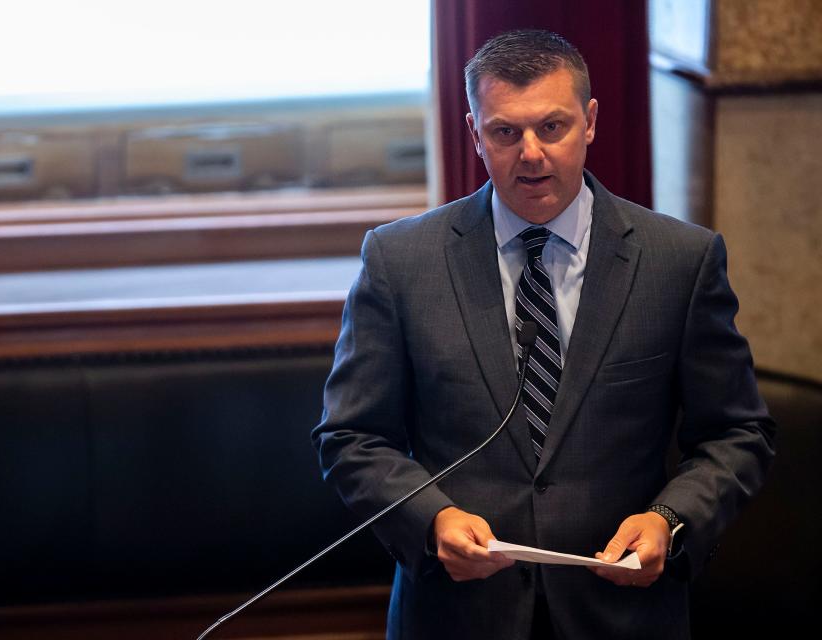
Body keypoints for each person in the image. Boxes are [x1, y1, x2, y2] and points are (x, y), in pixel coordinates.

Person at [312, 29, 775, 639]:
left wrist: (670, 519)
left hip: (620, 613)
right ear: (475, 133)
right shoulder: (401, 261)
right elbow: (352, 435)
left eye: (551, 128)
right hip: (457, 613)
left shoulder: (679, 261)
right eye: (506, 132)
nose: (531, 154)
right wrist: (432, 519)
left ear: (589, 123)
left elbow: (737, 432)